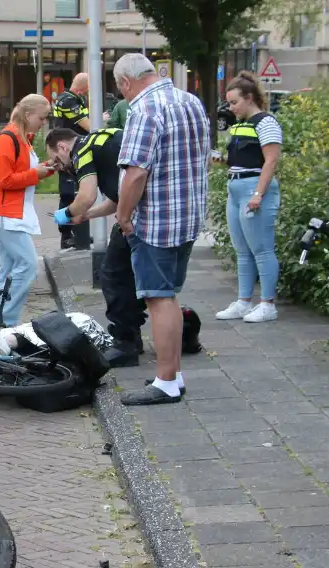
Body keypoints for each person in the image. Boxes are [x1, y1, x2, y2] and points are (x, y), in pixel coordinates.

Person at [45, 127, 204, 367]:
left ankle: (126, 343)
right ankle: (185, 326)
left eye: (58, 160)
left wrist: (66, 215)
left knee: (115, 275)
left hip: (138, 216)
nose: (62, 166)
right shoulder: (106, 138)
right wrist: (87, 215)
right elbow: (117, 197)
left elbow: (86, 195)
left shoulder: (82, 149)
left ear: (63, 147)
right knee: (143, 281)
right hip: (150, 210)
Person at [112, 52, 211, 406]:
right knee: (168, 293)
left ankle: (166, 381)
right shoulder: (190, 101)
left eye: (119, 88)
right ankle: (174, 372)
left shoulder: (145, 110)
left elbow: (136, 172)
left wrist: (123, 217)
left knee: (158, 297)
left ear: (126, 81)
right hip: (187, 216)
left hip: (156, 220)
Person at [0, 93, 57, 336]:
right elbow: (5, 180)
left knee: (9, 269)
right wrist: (38, 173)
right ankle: (5, 321)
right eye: (42, 118)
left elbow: (23, 172)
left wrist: (46, 170)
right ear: (28, 114)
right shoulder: (7, 140)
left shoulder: (21, 139)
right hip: (6, 214)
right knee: (27, 266)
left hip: (11, 213)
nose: (44, 122)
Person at [214, 71, 284, 324]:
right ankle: (244, 302)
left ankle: (267, 304)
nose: (231, 108)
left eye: (234, 102)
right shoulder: (240, 125)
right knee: (242, 251)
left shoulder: (266, 122)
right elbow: (240, 160)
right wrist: (220, 160)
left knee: (262, 250)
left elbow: (271, 159)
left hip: (254, 188)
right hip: (236, 188)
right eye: (229, 103)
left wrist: (258, 194)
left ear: (250, 98)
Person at [51, 73, 92, 251]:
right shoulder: (68, 101)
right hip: (69, 152)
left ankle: (77, 233)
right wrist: (99, 122)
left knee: (75, 191)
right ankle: (67, 236)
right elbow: (88, 126)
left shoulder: (70, 98)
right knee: (69, 194)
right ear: (84, 87)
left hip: (70, 149)